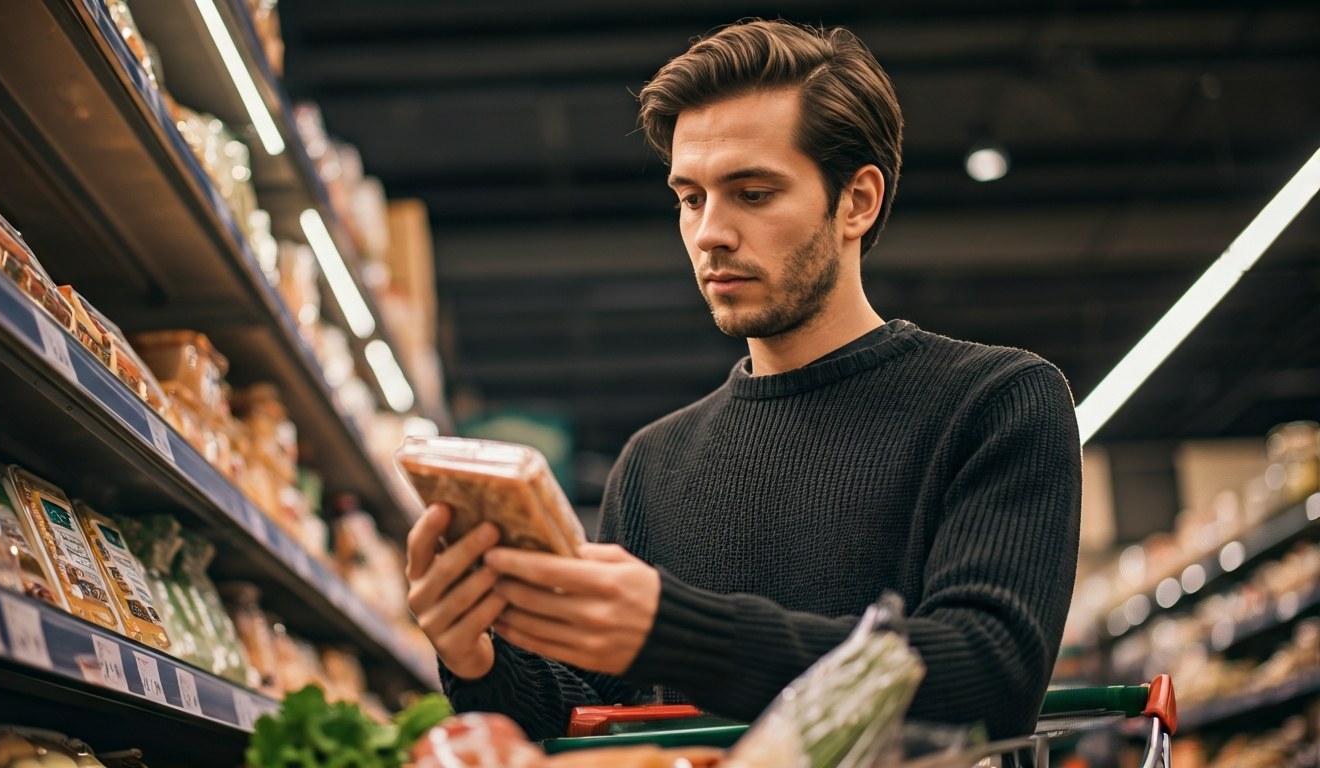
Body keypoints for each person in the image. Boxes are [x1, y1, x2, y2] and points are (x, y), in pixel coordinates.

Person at [404, 18, 1081, 742]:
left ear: (857, 201)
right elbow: (577, 717)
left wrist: (675, 630)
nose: (709, 233)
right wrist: (476, 657)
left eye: (751, 193)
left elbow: (992, 672)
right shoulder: (654, 463)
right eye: (691, 197)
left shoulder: (997, 403)